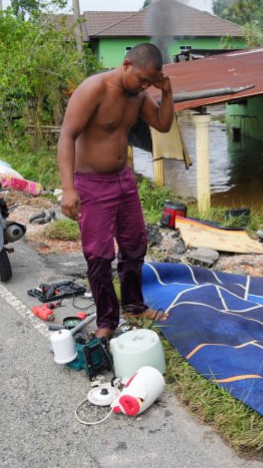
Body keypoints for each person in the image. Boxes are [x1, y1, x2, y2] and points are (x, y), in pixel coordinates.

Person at [57, 43, 173, 340]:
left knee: (135, 245)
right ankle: (107, 322)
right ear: (126, 64)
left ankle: (134, 305)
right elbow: (67, 136)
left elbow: (162, 123)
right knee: (98, 255)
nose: (145, 85)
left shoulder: (139, 94)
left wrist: (167, 91)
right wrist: (68, 189)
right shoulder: (94, 89)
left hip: (123, 180)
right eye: (142, 79)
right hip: (92, 182)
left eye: (150, 82)